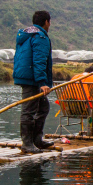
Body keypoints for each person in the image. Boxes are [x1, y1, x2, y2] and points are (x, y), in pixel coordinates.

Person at [13, 10, 55, 153]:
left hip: (28, 76)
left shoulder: (28, 34)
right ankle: (27, 144)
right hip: (32, 79)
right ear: (46, 22)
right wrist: (42, 82)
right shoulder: (40, 36)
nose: (50, 25)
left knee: (43, 108)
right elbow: (39, 60)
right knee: (28, 111)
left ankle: (36, 140)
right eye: (49, 22)